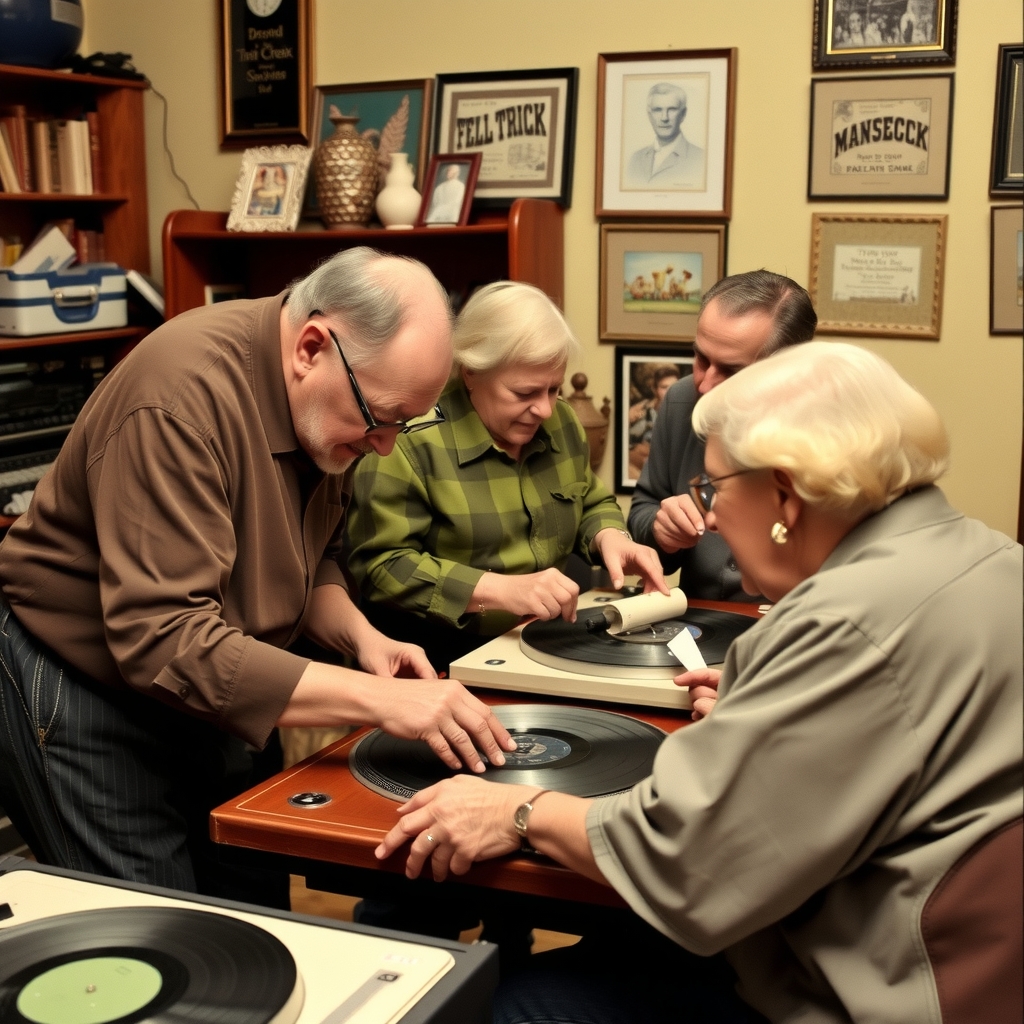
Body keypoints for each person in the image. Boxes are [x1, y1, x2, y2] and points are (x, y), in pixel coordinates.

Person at [375, 341, 1023, 1024]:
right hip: (961, 972)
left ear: (786, 494)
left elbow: (687, 858)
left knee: (506, 1002)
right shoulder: (995, 559)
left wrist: (513, 811)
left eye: (713, 488)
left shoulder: (843, 623)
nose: (706, 514)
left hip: (855, 988)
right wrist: (764, 704)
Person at [0, 246, 515, 908]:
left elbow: (312, 553)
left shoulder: (336, 401)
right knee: (163, 944)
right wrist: (380, 700)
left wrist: (362, 639)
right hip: (89, 693)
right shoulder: (178, 401)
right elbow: (165, 640)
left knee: (257, 925)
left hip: (215, 686)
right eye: (382, 419)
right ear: (310, 348)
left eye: (405, 425)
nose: (386, 446)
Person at [346, 279, 668, 675]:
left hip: (541, 647)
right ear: (470, 373)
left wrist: (611, 538)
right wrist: (498, 590)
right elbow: (381, 568)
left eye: (553, 389)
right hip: (434, 662)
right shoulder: (405, 441)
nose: (546, 410)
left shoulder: (563, 423)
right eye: (524, 393)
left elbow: (591, 501)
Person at [627, 270, 816, 601]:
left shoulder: (835, 433)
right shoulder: (681, 400)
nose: (704, 384)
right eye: (701, 358)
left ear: (787, 370)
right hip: (700, 627)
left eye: (731, 371)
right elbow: (645, 506)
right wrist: (660, 530)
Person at [625, 82, 705, 190]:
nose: (664, 118)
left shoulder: (701, 159)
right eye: (657, 110)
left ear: (683, 114)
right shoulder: (635, 159)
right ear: (649, 115)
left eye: (672, 109)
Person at [627, 362, 680, 480]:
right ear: (654, 389)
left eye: (674, 386)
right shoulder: (641, 411)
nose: (670, 391)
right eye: (664, 387)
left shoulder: (687, 412)